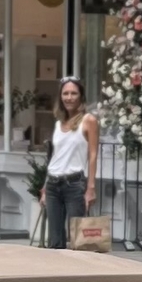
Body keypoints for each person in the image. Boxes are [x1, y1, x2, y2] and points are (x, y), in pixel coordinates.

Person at [42, 75, 99, 247]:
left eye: (73, 93)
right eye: (65, 93)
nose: (69, 97)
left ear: (81, 96)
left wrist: (90, 188)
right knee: (55, 241)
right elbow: (56, 156)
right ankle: (57, 273)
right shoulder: (59, 123)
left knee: (78, 241)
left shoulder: (89, 120)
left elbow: (93, 155)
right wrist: (45, 187)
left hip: (74, 184)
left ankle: (77, 273)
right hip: (53, 184)